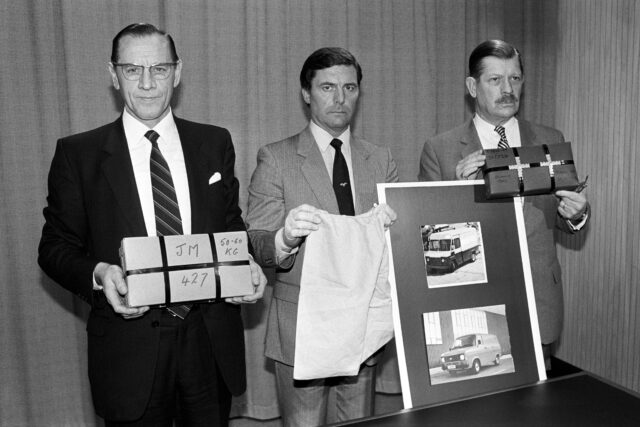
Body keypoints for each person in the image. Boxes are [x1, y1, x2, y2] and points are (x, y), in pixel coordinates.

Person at [38, 23, 267, 426]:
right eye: (132, 70)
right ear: (113, 75)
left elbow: (231, 226)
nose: (147, 84)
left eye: (159, 69)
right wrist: (100, 273)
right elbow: (54, 248)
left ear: (177, 73)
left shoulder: (214, 142)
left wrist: (246, 266)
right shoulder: (79, 154)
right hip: (129, 351)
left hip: (209, 342)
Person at [245, 47, 398, 426]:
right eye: (327, 87)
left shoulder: (380, 160)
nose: (340, 98)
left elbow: (398, 245)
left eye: (349, 87)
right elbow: (257, 241)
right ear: (306, 93)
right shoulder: (276, 158)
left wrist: (398, 229)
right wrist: (285, 237)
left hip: (365, 322)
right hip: (302, 326)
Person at [418, 39, 589, 363]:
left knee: (536, 407)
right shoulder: (440, 149)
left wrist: (576, 213)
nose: (507, 88)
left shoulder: (550, 139)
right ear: (472, 86)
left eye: (514, 78)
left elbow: (566, 217)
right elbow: (428, 235)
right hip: (475, 298)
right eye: (495, 80)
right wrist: (457, 190)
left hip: (538, 296)